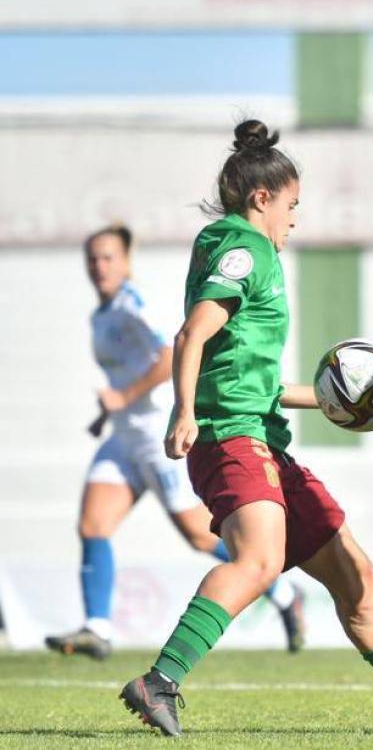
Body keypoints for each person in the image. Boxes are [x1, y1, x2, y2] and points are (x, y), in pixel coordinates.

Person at [118, 121, 373, 736]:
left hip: (261, 437)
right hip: (233, 439)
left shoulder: (245, 251)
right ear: (262, 198)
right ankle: (159, 682)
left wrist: (344, 401)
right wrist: (184, 411)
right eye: (292, 204)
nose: (296, 217)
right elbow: (192, 333)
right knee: (258, 562)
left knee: (356, 575)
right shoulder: (245, 248)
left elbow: (251, 378)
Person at [45, 224, 305, 662]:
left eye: (108, 257)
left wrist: (126, 398)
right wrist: (108, 412)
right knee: (93, 526)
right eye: (92, 258)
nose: (99, 266)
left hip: (154, 435)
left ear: (126, 262)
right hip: (124, 438)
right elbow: (128, 372)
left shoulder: (133, 305)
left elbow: (170, 354)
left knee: (200, 536)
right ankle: (97, 628)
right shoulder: (102, 314)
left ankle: (281, 589)